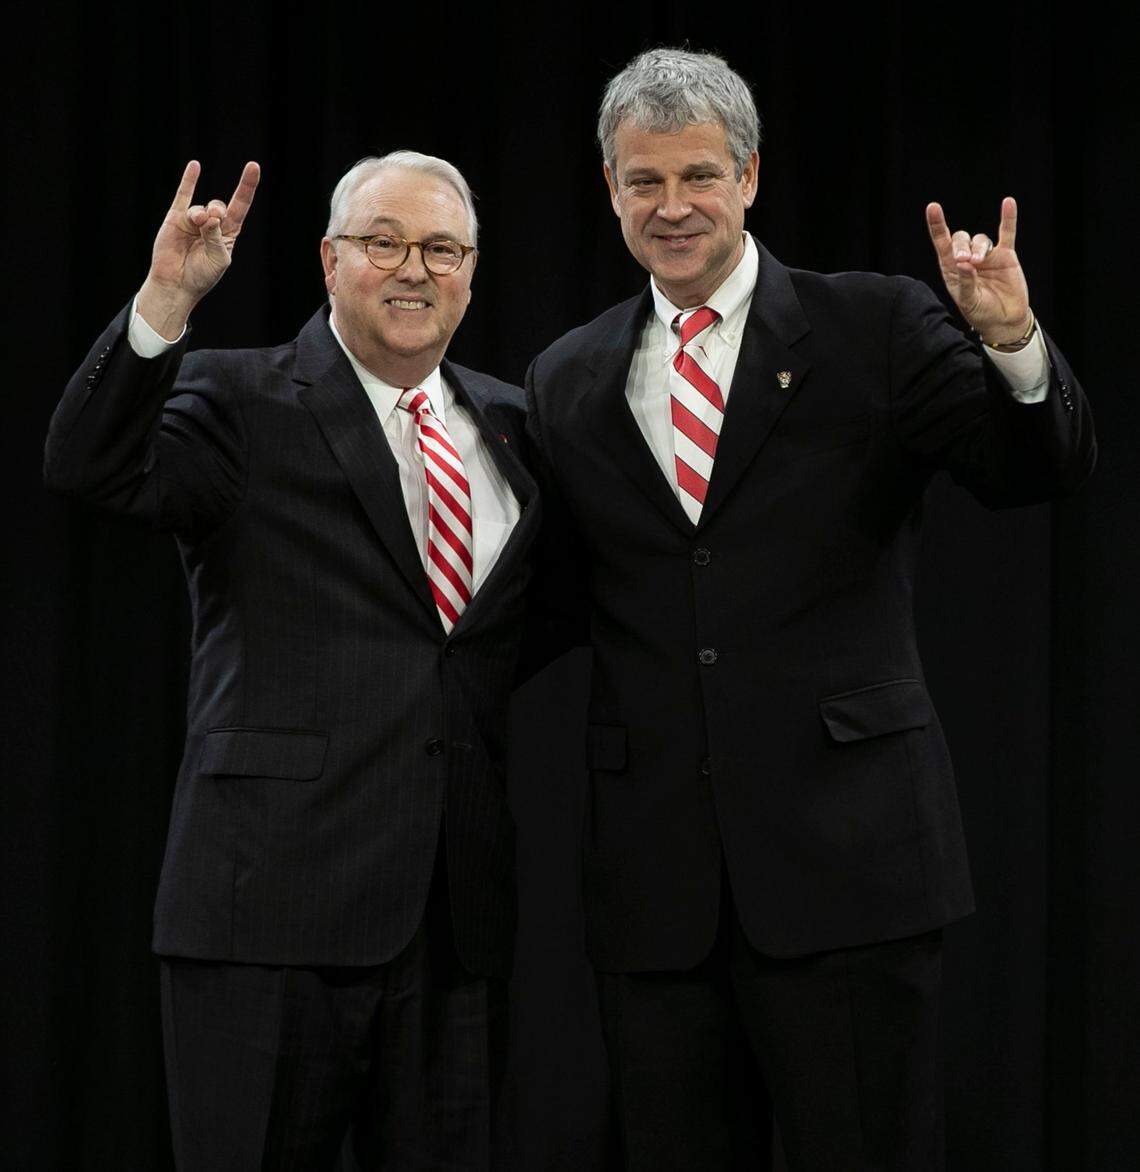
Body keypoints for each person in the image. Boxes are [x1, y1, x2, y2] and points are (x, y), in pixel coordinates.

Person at [525, 49, 1095, 1171]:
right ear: (609, 188)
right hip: (657, 890)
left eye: (699, 175)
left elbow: (1034, 469)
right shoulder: (567, 375)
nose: (673, 206)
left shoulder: (871, 327)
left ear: (749, 178)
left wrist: (1013, 346)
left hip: (850, 865)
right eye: (645, 181)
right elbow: (548, 598)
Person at [45, 151, 537, 1170]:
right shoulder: (236, 397)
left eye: (442, 247)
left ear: (474, 270)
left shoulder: (515, 423)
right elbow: (87, 464)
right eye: (383, 242)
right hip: (264, 914)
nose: (414, 268)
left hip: (453, 929)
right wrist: (165, 300)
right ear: (328, 259)